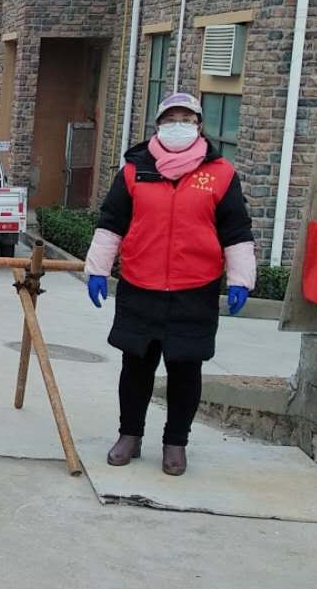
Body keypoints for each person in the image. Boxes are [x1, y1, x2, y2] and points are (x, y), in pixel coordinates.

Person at [84, 92, 256, 476]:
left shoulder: (221, 174)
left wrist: (241, 278)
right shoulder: (135, 170)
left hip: (194, 290)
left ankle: (175, 443)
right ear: (158, 125)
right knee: (136, 367)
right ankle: (130, 435)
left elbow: (236, 230)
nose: (178, 125)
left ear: (199, 125)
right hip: (140, 285)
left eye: (186, 119)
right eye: (170, 119)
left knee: (185, 371)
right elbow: (112, 222)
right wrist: (97, 269)